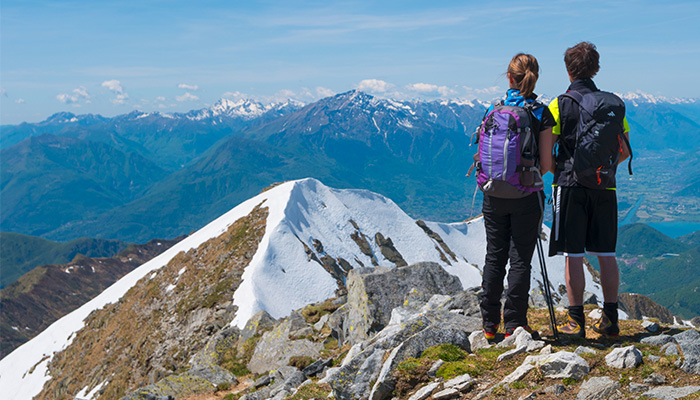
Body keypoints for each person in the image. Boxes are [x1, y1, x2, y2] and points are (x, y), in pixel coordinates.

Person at [542, 42, 631, 338]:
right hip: (605, 186)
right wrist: (602, 172)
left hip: (570, 186)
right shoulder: (612, 105)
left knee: (573, 254)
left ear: (568, 70)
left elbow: (547, 155)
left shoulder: (559, 104)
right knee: (607, 253)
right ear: (595, 69)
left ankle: (575, 321)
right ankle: (610, 320)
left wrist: (567, 171)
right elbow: (625, 151)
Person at [478, 53, 555, 340]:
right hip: (526, 195)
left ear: (509, 77)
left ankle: (488, 325)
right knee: (521, 258)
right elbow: (546, 165)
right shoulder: (540, 112)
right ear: (535, 77)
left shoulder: (492, 108)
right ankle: (514, 324)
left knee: (494, 256)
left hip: (492, 193)